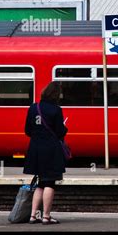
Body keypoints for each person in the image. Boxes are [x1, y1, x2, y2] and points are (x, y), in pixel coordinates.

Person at [23, 82, 68, 225]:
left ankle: (33, 216)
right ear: (56, 95)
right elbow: (60, 132)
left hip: (35, 149)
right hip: (51, 150)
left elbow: (27, 131)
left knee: (40, 183)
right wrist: (64, 128)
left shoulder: (33, 107)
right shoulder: (56, 109)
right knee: (50, 182)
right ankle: (46, 216)